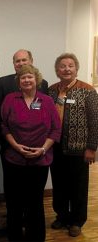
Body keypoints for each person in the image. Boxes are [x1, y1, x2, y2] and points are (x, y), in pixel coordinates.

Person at [1, 64, 61, 242]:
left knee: (35, 203)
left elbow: (56, 130)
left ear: (37, 80)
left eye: (30, 77)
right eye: (23, 78)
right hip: (14, 160)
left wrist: (43, 149)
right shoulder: (10, 99)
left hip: (39, 162)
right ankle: (15, 237)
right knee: (14, 203)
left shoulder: (47, 101)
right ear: (18, 82)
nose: (27, 80)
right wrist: (15, 146)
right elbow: (3, 126)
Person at [48, 53, 98, 237]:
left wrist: (91, 148)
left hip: (79, 149)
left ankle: (77, 221)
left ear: (76, 69)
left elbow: (95, 120)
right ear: (57, 70)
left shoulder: (88, 90)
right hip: (55, 147)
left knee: (78, 186)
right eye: (62, 66)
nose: (66, 69)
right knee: (59, 184)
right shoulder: (52, 90)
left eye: (70, 66)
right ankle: (62, 216)